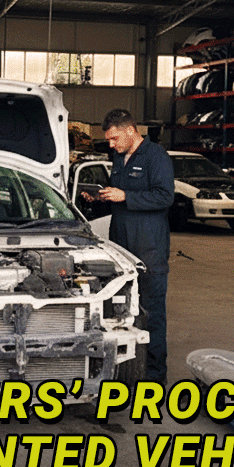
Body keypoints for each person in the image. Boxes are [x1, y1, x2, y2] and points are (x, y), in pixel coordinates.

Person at [84, 109, 174, 383]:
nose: (110, 144)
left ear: (130, 131)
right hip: (122, 249)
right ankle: (126, 371)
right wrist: (101, 197)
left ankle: (155, 378)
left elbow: (164, 196)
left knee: (151, 314)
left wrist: (126, 195)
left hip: (149, 250)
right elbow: (121, 196)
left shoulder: (155, 156)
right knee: (122, 313)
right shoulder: (119, 158)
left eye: (113, 138)